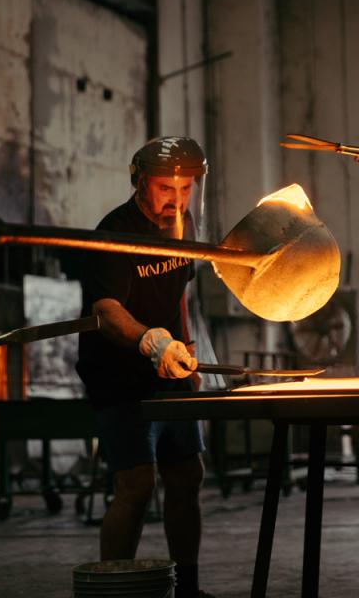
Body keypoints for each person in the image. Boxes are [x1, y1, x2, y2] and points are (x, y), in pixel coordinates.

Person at [76, 136, 212, 598]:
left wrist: (186, 350)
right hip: (119, 372)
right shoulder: (113, 232)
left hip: (171, 370)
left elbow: (178, 294)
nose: (175, 200)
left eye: (186, 189)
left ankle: (187, 588)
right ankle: (115, 588)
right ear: (138, 182)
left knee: (187, 475)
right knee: (136, 484)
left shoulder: (183, 223)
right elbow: (108, 310)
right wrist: (151, 342)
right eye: (165, 189)